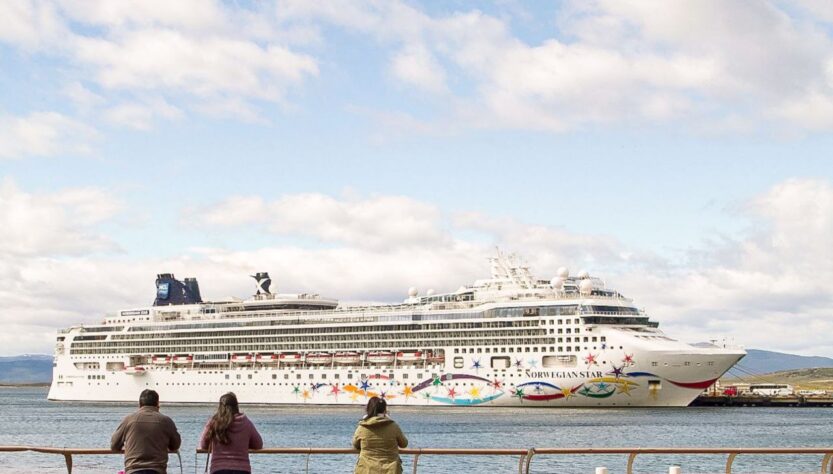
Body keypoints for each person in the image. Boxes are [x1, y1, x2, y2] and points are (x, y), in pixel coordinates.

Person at [111, 389, 181, 474]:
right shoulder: (166, 421)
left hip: (133, 470)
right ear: (157, 404)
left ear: (139, 404)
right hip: (157, 471)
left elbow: (114, 446)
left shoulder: (128, 420)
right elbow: (175, 445)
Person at [199, 392, 263, 474]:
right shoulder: (246, 422)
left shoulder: (214, 422)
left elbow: (203, 445)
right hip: (242, 470)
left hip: (219, 470)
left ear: (220, 407)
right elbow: (258, 444)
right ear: (236, 406)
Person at [352, 397, 408, 474]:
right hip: (391, 470)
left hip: (366, 469)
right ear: (384, 410)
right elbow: (404, 444)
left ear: (368, 409)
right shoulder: (393, 426)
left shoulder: (363, 427)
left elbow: (355, 445)